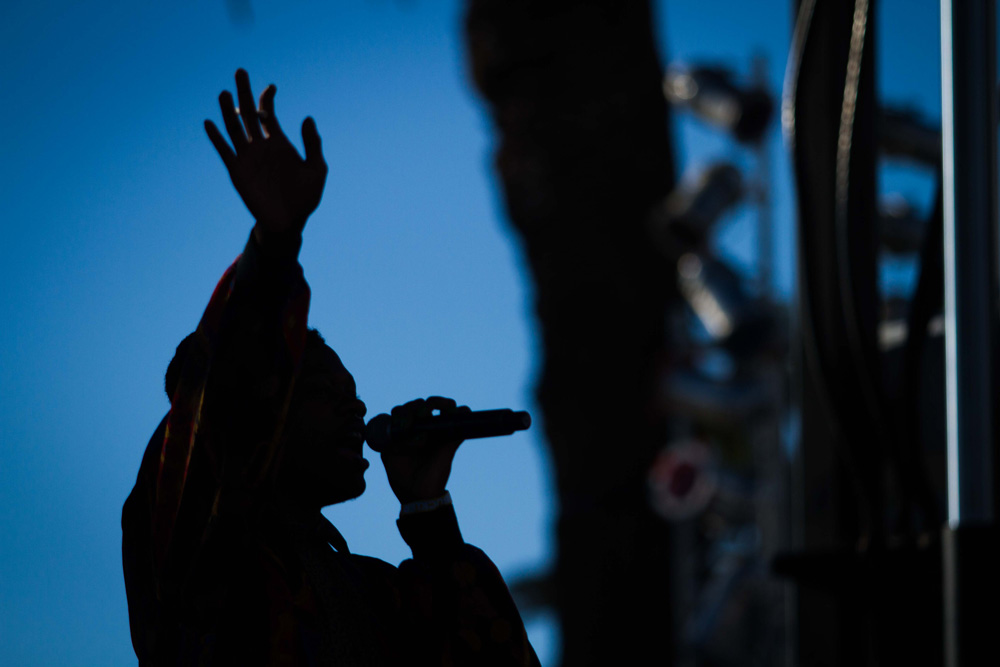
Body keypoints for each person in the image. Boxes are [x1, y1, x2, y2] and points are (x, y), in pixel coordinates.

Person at [122, 69, 539, 667]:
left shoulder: (369, 592)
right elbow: (225, 393)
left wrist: (427, 511)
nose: (357, 409)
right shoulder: (198, 547)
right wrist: (274, 242)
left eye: (352, 392)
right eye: (320, 390)